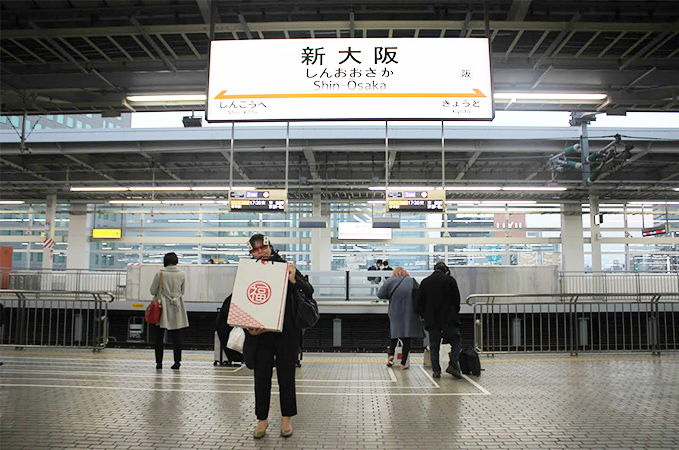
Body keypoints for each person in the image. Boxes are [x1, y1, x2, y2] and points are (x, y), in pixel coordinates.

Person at [243, 234, 314, 439]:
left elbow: (309, 290)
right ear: (251, 253)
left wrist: (293, 280)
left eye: (263, 247)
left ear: (270, 247)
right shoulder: (249, 271)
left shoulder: (285, 266)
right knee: (261, 377)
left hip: (286, 332)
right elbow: (241, 299)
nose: (260, 252)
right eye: (255, 250)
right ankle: (262, 420)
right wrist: (247, 326)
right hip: (260, 334)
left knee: (286, 377)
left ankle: (286, 418)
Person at [417, 262, 462, 379]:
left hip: (432, 320)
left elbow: (419, 303)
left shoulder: (425, 282)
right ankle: (452, 364)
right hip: (449, 319)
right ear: (445, 270)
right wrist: (454, 313)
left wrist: (424, 315)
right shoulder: (450, 281)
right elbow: (457, 300)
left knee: (434, 346)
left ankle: (436, 371)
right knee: (456, 342)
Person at [377, 267, 424, 369]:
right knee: (406, 337)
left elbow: (380, 295)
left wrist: (390, 296)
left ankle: (391, 355)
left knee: (394, 334)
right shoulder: (411, 281)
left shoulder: (390, 280)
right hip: (409, 311)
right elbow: (420, 295)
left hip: (395, 311)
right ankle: (403, 363)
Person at [149, 252, 188, 370]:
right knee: (177, 337)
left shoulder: (160, 273)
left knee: (159, 337)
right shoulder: (182, 274)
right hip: (176, 307)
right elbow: (183, 291)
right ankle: (177, 362)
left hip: (162, 307)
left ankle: (159, 363)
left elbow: (152, 290)